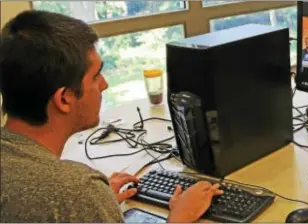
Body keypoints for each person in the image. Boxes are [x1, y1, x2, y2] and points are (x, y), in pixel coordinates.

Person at [0, 10, 223, 223]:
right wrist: (180, 218)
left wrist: (95, 206)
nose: (105, 84)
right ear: (64, 99)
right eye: (96, 76)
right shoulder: (75, 191)